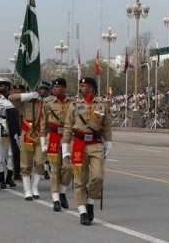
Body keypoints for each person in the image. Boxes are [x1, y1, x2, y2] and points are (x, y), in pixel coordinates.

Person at [61, 77, 112, 225]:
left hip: (96, 144)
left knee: (98, 177)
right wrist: (65, 148)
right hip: (78, 144)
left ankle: (90, 202)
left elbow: (107, 126)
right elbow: (67, 127)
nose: (81, 88)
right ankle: (82, 211)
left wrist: (109, 144)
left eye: (83, 86)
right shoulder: (74, 105)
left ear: (91, 88)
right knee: (80, 179)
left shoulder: (102, 106)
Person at [9, 81, 50, 201]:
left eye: (45, 89)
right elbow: (11, 97)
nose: (42, 91)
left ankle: (35, 187)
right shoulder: (25, 103)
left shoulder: (47, 103)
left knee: (40, 162)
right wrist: (29, 95)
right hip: (27, 134)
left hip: (41, 134)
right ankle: (27, 190)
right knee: (25, 164)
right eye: (40, 89)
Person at [40, 78, 73, 211]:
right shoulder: (47, 104)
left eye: (58, 87)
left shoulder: (72, 104)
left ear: (64, 88)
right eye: (54, 87)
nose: (54, 89)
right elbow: (43, 124)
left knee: (68, 168)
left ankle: (63, 192)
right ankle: (55, 200)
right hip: (52, 138)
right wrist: (43, 141)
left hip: (67, 138)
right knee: (55, 170)